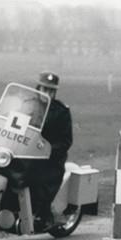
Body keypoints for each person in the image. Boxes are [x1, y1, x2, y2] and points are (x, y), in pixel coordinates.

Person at [28, 71, 73, 230]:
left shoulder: (61, 111)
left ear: (54, 92)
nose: (46, 93)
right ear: (38, 88)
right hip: (23, 152)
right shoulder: (26, 104)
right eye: (44, 89)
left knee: (41, 181)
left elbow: (66, 140)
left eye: (50, 90)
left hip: (49, 159)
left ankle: (42, 215)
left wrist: (48, 150)